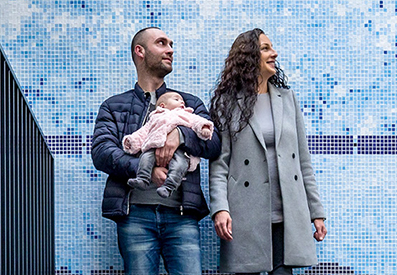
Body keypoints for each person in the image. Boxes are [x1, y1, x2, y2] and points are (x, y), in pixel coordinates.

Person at [92, 27, 221, 275]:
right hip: (134, 217)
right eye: (161, 43)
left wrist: (180, 135)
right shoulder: (113, 105)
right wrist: (147, 169)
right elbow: (101, 151)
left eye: (171, 44)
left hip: (182, 215)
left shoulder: (189, 104)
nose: (170, 49)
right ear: (140, 51)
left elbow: (215, 143)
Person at [208, 28, 327, 275]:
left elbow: (303, 162)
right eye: (265, 48)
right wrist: (220, 208)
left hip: (287, 215)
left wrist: (316, 212)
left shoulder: (287, 98)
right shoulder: (227, 102)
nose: (274, 53)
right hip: (245, 214)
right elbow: (220, 164)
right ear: (248, 57)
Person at [124, 91, 215, 198]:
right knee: (145, 157)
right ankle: (142, 178)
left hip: (181, 150)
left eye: (182, 101)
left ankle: (169, 187)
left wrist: (204, 127)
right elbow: (144, 132)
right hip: (154, 146)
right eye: (176, 100)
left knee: (180, 165)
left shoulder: (186, 114)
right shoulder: (155, 117)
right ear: (163, 105)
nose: (181, 102)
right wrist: (132, 141)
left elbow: (197, 121)